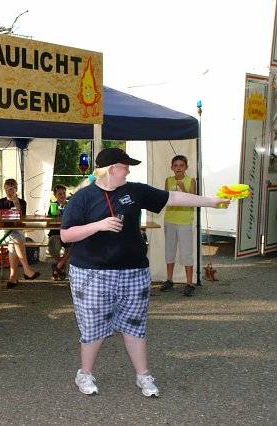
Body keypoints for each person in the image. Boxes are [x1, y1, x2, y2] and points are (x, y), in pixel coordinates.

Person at [60, 148, 229, 397]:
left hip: (134, 272)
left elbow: (173, 197)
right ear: (112, 170)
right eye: (125, 166)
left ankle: (143, 376)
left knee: (134, 326)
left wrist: (211, 201)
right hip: (92, 273)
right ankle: (84, 374)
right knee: (93, 329)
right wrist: (99, 225)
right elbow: (66, 235)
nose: (128, 171)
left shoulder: (135, 191)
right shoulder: (83, 197)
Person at [0, 178, 40, 289]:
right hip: (1, 232)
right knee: (16, 238)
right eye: (7, 189)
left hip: (16, 231)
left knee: (14, 241)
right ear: (4, 189)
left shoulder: (22, 203)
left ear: (16, 189)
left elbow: (19, 223)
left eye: (12, 189)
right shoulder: (0, 202)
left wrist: (17, 206)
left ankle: (13, 277)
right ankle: (26, 269)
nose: (9, 191)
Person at [160, 155, 198, 296]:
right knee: (169, 251)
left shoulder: (191, 180)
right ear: (171, 167)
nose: (178, 168)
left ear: (186, 167)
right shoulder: (168, 180)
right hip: (170, 219)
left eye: (181, 165)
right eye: (175, 165)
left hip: (184, 221)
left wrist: (183, 189)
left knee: (186, 252)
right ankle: (169, 280)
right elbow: (165, 199)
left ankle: (189, 283)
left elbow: (193, 200)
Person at [47, 184, 72, 280]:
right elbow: (48, 222)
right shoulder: (53, 206)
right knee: (54, 247)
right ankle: (61, 266)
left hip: (68, 232)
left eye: (64, 193)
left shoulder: (70, 205)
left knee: (72, 247)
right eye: (59, 194)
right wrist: (54, 217)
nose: (62, 195)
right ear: (55, 195)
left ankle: (57, 266)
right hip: (55, 233)